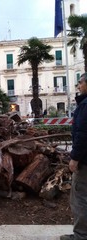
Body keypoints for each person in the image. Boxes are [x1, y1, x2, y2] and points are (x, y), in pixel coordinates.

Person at [60, 72, 87, 240]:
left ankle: (81, 236)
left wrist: (75, 158)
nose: (78, 86)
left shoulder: (85, 105)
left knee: (80, 197)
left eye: (80, 83)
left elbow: (83, 134)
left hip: (85, 161)